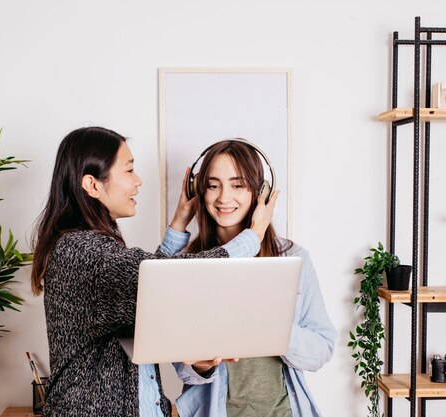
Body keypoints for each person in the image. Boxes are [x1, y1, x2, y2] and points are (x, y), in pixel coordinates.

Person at [30, 127, 278, 417]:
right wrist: (253, 237)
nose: (138, 181)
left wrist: (179, 223)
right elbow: (163, 279)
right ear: (92, 185)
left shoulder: (88, 248)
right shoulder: (83, 251)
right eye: (129, 170)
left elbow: (148, 288)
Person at [174, 139, 337, 417]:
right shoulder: (187, 262)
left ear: (260, 192)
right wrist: (201, 364)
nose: (224, 197)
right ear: (199, 191)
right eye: (213, 185)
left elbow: (321, 350)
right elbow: (184, 369)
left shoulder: (293, 258)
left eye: (238, 185)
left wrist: (273, 324)